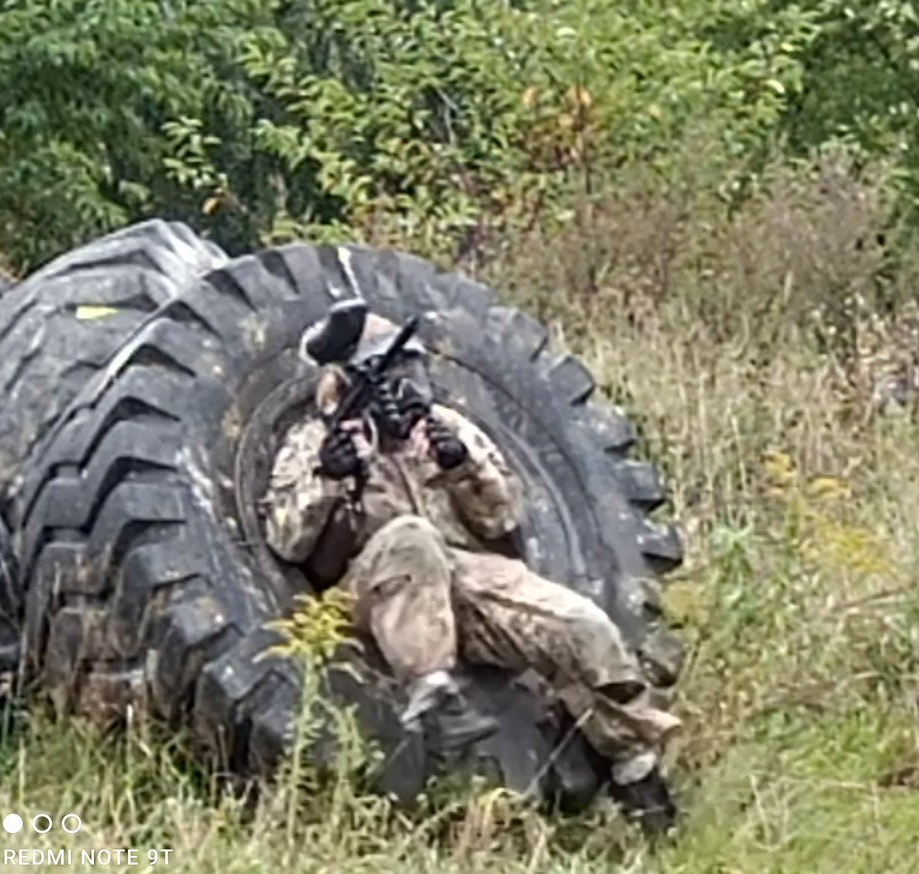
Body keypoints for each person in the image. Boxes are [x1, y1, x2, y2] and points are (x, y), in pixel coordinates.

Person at [259, 300, 682, 830]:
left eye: (410, 366)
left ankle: (636, 773)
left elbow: (504, 518)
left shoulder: (445, 427)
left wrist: (462, 466)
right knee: (411, 537)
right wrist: (328, 477)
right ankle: (435, 696)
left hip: (466, 578)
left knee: (582, 626)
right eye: (393, 370)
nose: (408, 382)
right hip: (373, 590)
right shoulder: (317, 441)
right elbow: (286, 542)